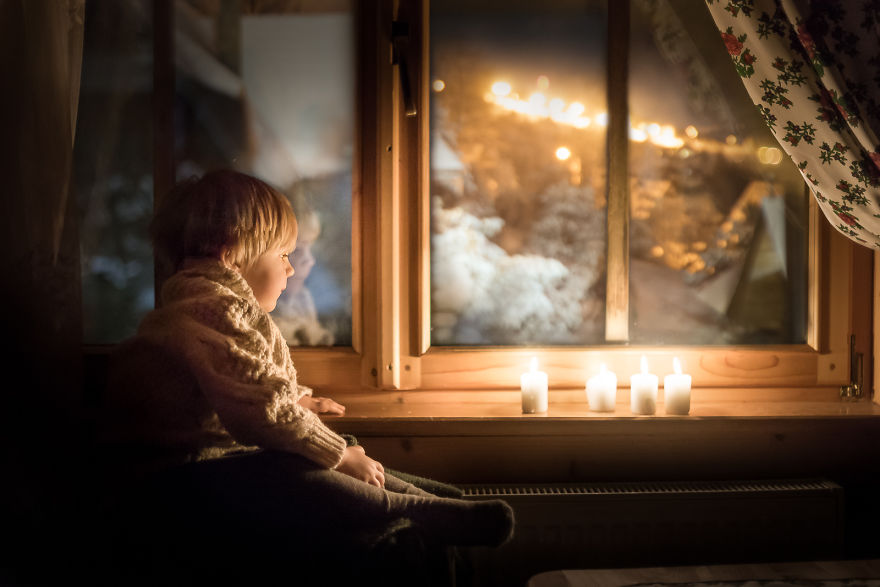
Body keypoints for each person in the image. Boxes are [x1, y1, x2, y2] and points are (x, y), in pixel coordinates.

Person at [100, 169, 514, 581]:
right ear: (232, 254)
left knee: (326, 450)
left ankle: (426, 499)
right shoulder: (211, 310)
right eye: (283, 255)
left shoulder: (217, 307)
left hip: (208, 463)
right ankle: (414, 507)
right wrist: (340, 456)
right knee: (293, 467)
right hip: (172, 479)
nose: (292, 270)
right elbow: (262, 411)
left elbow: (250, 375)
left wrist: (300, 399)